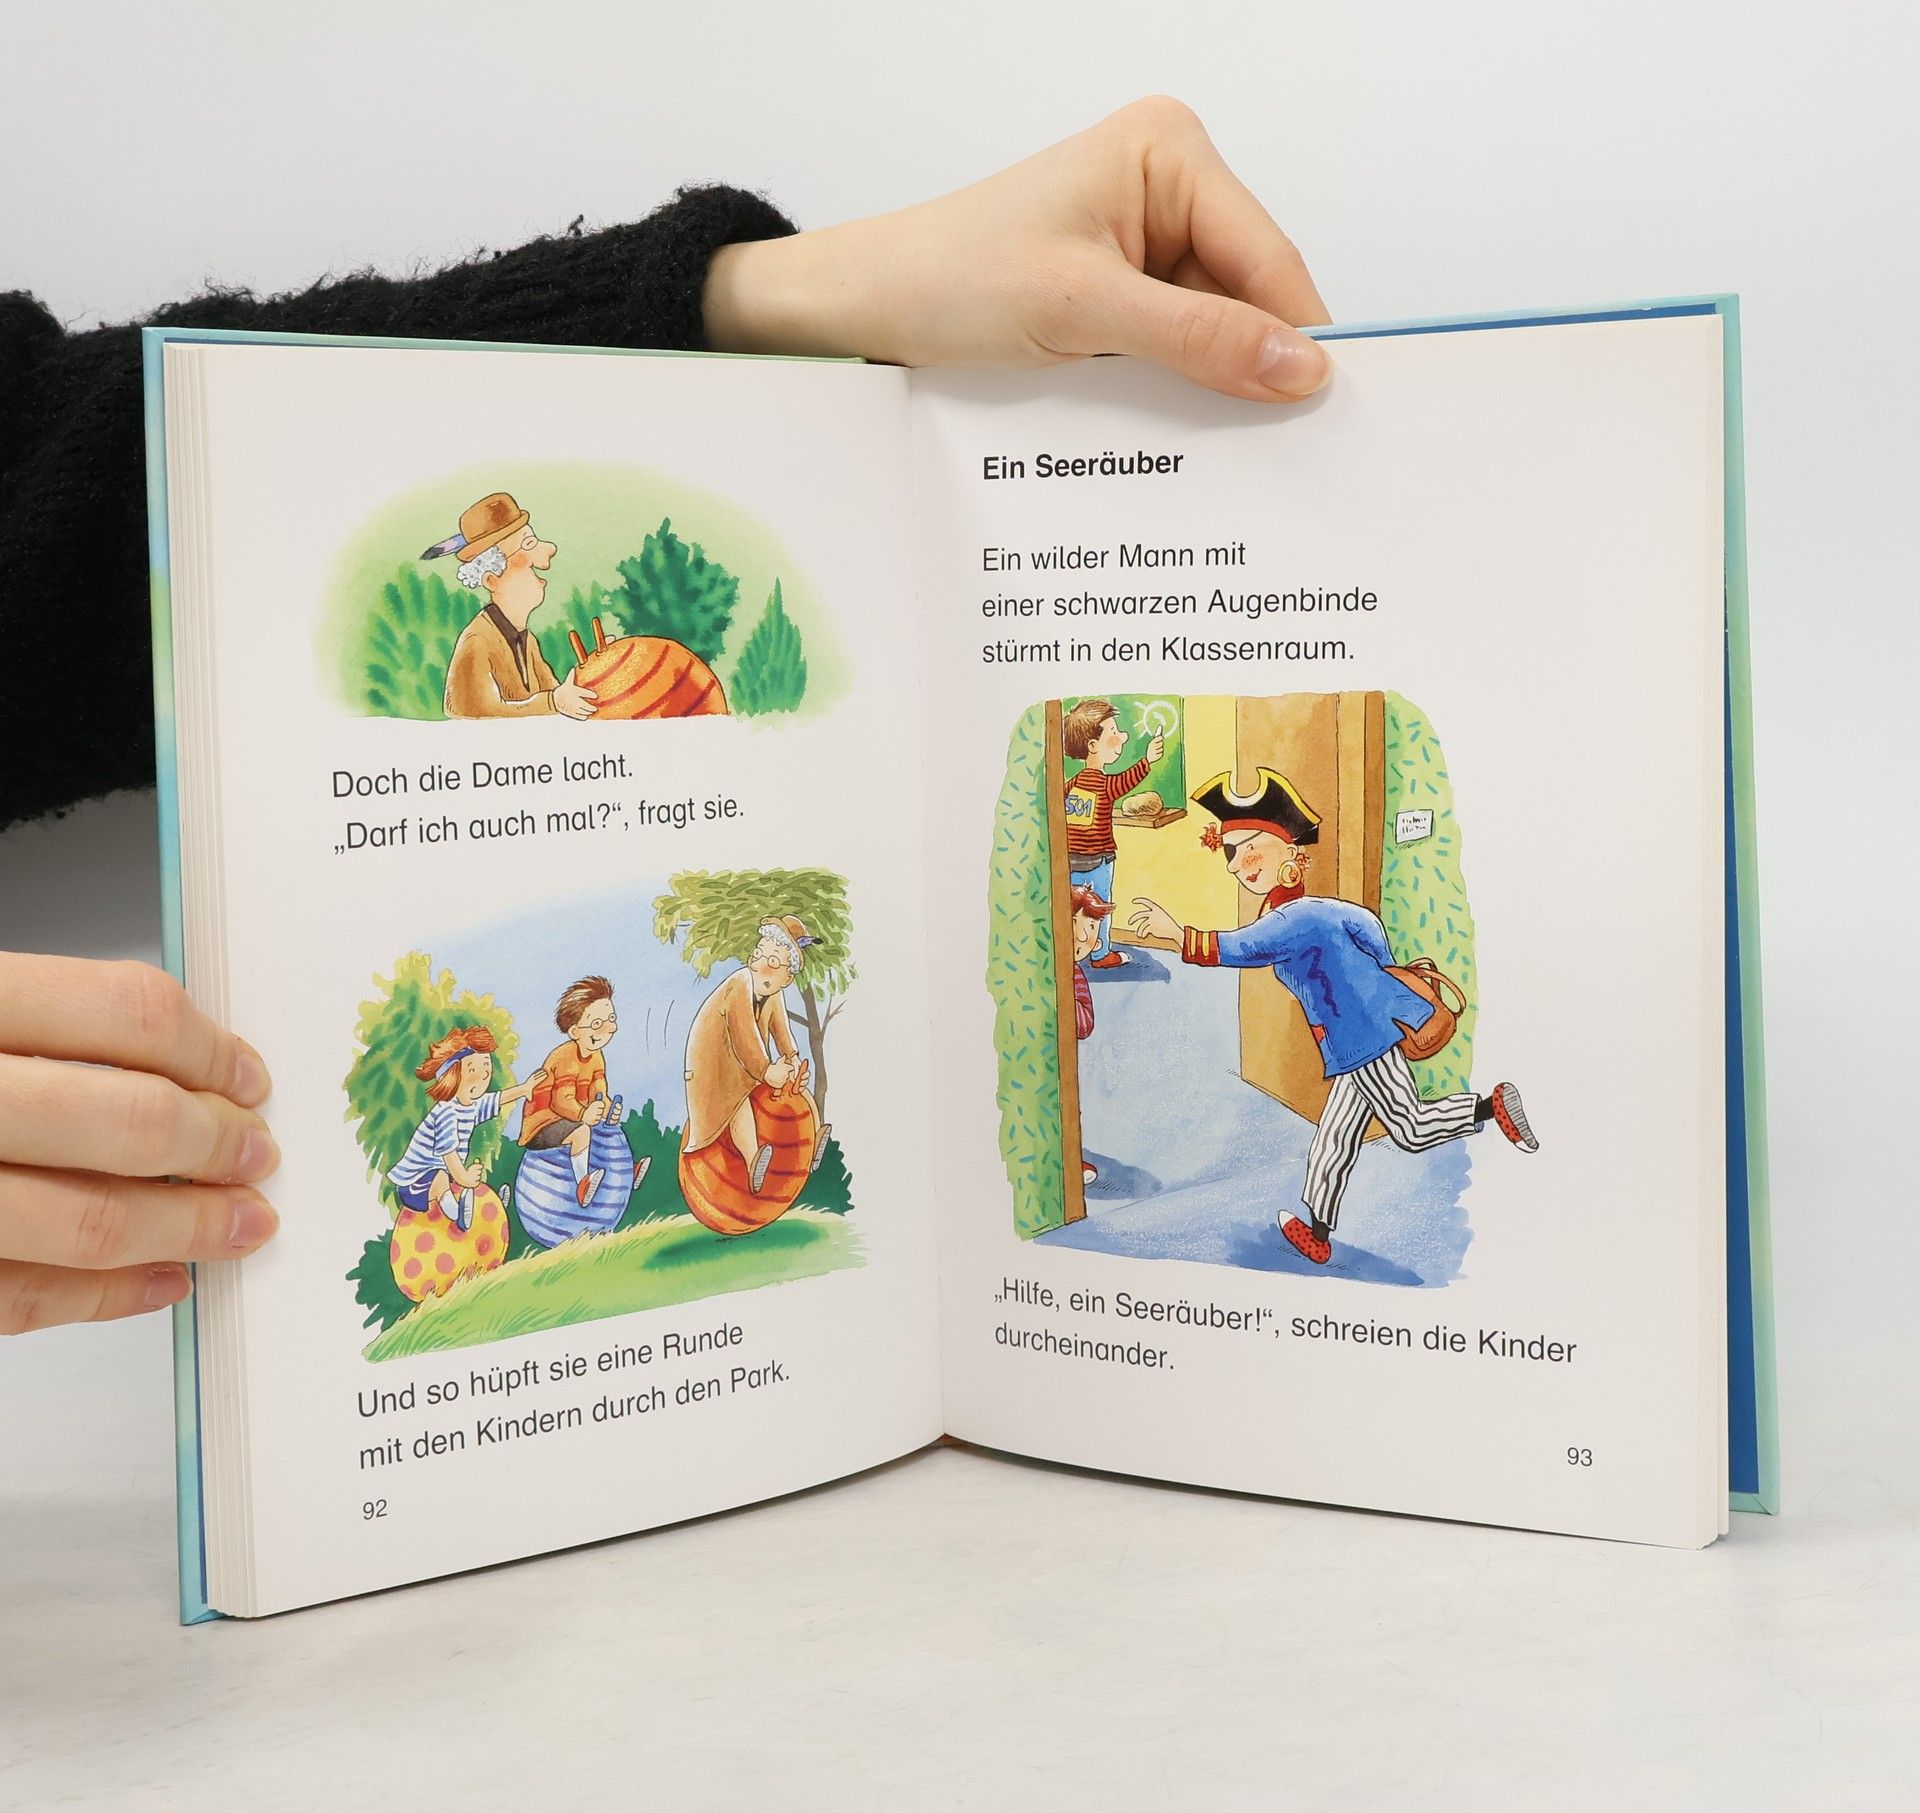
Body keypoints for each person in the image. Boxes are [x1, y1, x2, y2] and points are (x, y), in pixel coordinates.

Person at [0, 97, 1332, 1333]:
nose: (540, 571)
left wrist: (760, 299)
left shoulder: (542, 680)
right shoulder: (491, 673)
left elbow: (69, 489)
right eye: (526, 558)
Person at [1127, 766, 1537, 1267]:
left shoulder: (1293, 919)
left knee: (1409, 1129)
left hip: (1362, 1039)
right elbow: (1371, 931)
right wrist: (1375, 982)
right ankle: (1317, 1231)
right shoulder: (1319, 909)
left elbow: (1242, 947)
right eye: (1230, 855)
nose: (1237, 866)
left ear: (1287, 854)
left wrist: (1176, 933)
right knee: (1334, 1139)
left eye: (1248, 849)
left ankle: (1491, 1107)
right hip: (1354, 1038)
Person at [682, 918, 830, 1195]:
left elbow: (782, 1032)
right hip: (714, 1067)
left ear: (786, 978)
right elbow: (745, 1037)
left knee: (797, 1083)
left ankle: (814, 1137)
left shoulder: (773, 994)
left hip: (747, 1066)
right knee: (738, 1103)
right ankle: (753, 1162)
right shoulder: (740, 984)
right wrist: (766, 1071)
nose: (760, 963)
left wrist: (792, 1060)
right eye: (759, 954)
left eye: (773, 961)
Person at [421, 492, 598, 720]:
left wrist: (597, 668)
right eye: (528, 544)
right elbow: (473, 712)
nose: (550, 549)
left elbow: (558, 696)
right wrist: (552, 702)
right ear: (492, 580)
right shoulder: (477, 640)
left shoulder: (527, 640)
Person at [388, 1028, 545, 1232]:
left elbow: (497, 1099)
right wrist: (465, 1178)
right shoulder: (446, 1113)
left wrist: (524, 1089)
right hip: (415, 1185)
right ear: (452, 1078)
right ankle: (458, 1216)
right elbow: (450, 1156)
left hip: (444, 1176)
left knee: (460, 1183)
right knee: (447, 1178)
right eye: (472, 1071)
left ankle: (491, 1209)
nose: (483, 1077)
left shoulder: (470, 1105)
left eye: (486, 1067)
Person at [1060, 700, 1164, 968]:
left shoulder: (1071, 784)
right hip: (1099, 861)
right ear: (1093, 746)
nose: (1123, 737)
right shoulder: (1103, 784)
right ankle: (1100, 954)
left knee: (1071, 908)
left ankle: (1070, 951)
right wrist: (1147, 760)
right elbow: (1127, 780)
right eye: (1114, 732)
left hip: (1070, 860)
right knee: (1100, 908)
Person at [517, 975, 621, 1207]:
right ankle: (582, 1184)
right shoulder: (564, 1058)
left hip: (571, 1118)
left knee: (607, 1128)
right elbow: (560, 1102)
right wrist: (584, 1114)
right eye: (597, 1024)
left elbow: (598, 1091)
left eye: (611, 1019)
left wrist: (607, 1109)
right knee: (583, 1132)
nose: (609, 1028)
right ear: (574, 1031)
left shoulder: (596, 1056)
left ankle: (622, 1176)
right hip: (543, 1125)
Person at [1067, 884, 1113, 1185]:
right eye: (1075, 922)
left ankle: (1071, 1155)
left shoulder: (1074, 975)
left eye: (1092, 926)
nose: (1084, 936)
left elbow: (1085, 1024)